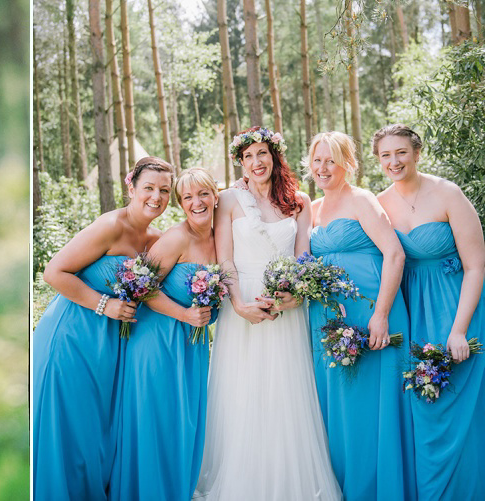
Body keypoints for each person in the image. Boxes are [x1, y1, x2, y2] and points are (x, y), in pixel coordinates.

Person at [194, 126, 341, 501]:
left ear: (275, 156)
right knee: (241, 392)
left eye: (262, 153)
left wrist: (294, 295)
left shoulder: (300, 201)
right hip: (241, 305)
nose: (256, 162)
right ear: (240, 163)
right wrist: (239, 304)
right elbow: (224, 257)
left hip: (287, 309)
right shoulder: (227, 200)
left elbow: (302, 257)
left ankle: (290, 482)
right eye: (248, 156)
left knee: (285, 392)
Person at [32, 157, 174, 501]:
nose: (156, 197)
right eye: (149, 188)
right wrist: (105, 304)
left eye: (164, 191)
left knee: (97, 434)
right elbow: (54, 272)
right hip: (73, 337)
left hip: (111, 347)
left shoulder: (157, 239)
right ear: (131, 187)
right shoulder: (110, 225)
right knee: (71, 434)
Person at [374, 124, 485, 500]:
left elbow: (476, 266)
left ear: (417, 153)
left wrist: (459, 329)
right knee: (422, 403)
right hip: (412, 312)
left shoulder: (447, 193)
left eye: (401, 152)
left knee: (458, 404)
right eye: (386, 155)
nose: (394, 161)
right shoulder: (380, 203)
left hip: (458, 306)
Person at [305, 131, 415, 500]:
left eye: (331, 160)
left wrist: (381, 314)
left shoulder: (361, 200)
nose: (323, 168)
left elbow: (394, 255)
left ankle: (378, 490)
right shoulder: (313, 211)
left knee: (372, 407)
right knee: (340, 407)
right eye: (317, 160)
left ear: (348, 164)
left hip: (371, 314)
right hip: (329, 322)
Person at [110, 167, 217, 501]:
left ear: (216, 196)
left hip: (192, 346)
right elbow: (140, 287)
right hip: (157, 341)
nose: (196, 202)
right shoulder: (176, 237)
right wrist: (185, 313)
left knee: (184, 422)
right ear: (180, 204)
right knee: (156, 421)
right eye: (187, 197)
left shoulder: (221, 237)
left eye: (203, 194)